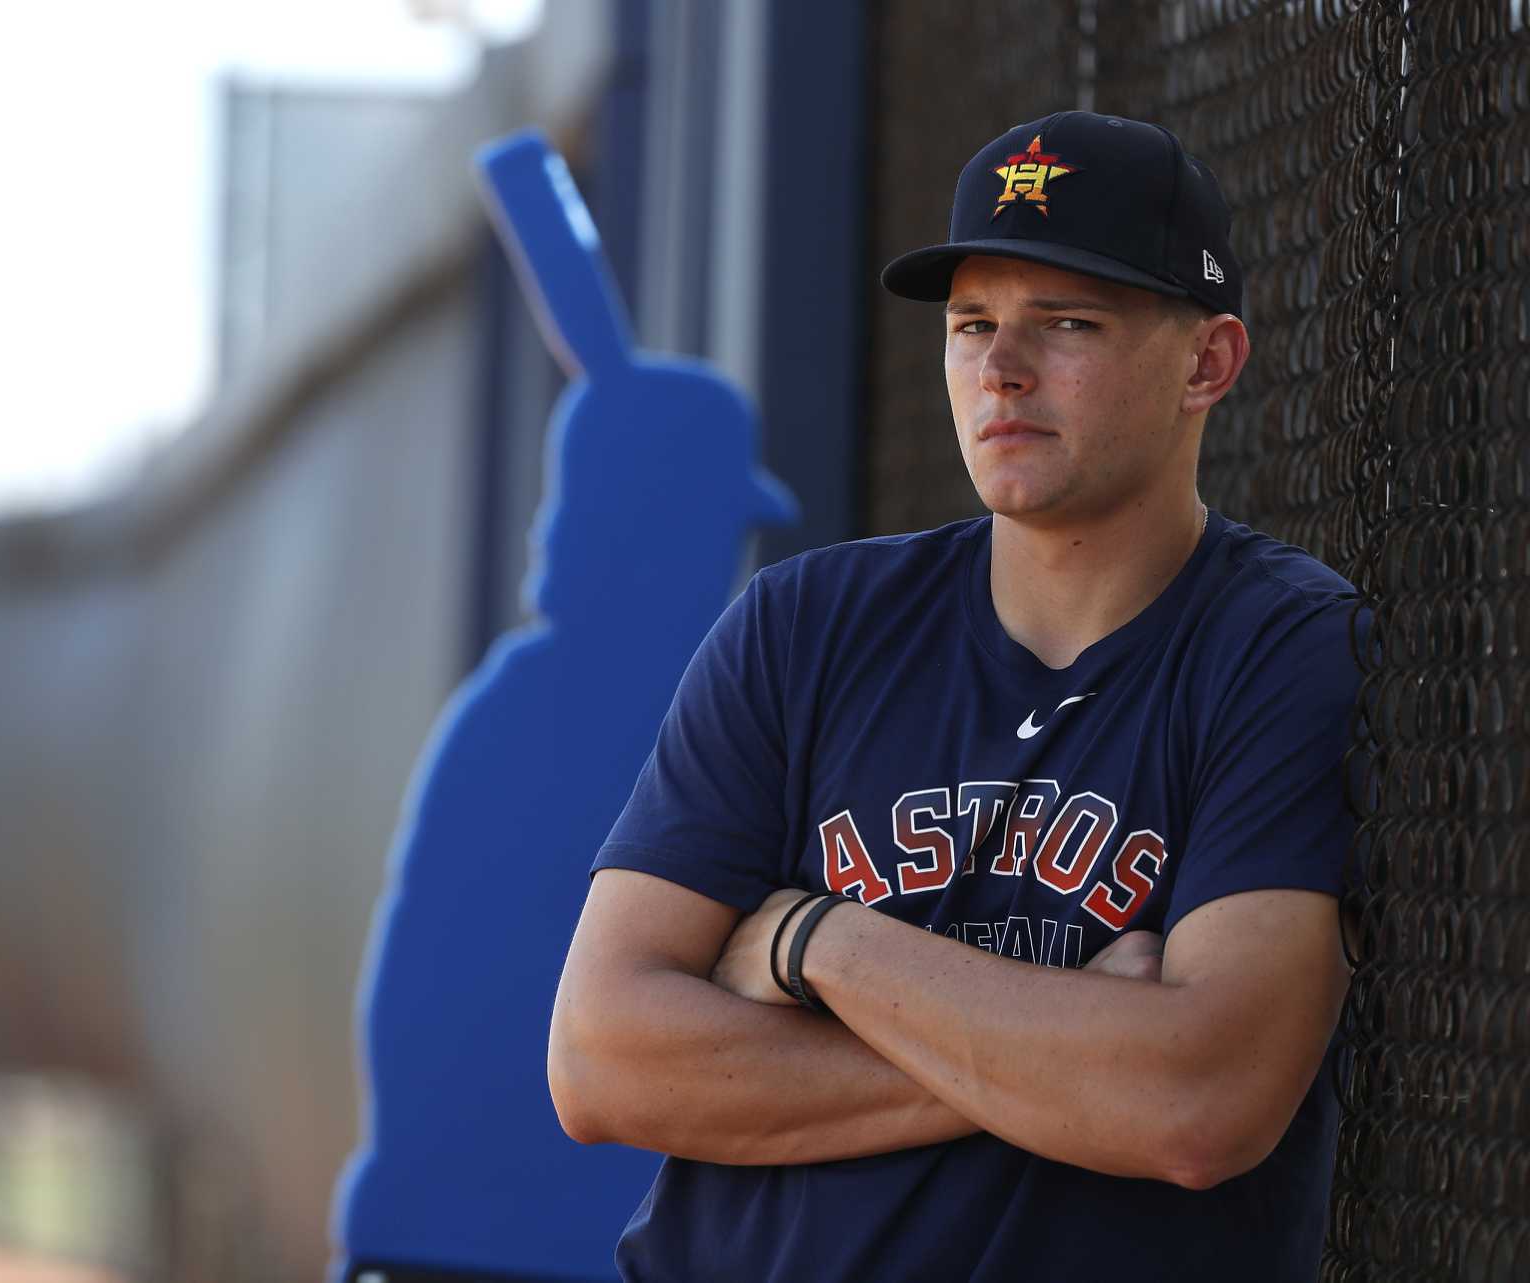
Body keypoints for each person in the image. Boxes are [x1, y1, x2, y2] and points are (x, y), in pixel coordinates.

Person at [547, 111, 1364, 1281]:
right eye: (971, 325)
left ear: (1207, 362)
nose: (1001, 369)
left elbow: (1196, 1100)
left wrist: (816, 942)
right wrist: (1065, 1058)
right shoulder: (804, 625)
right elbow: (600, 1057)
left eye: (1065, 324)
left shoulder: (1283, 649)